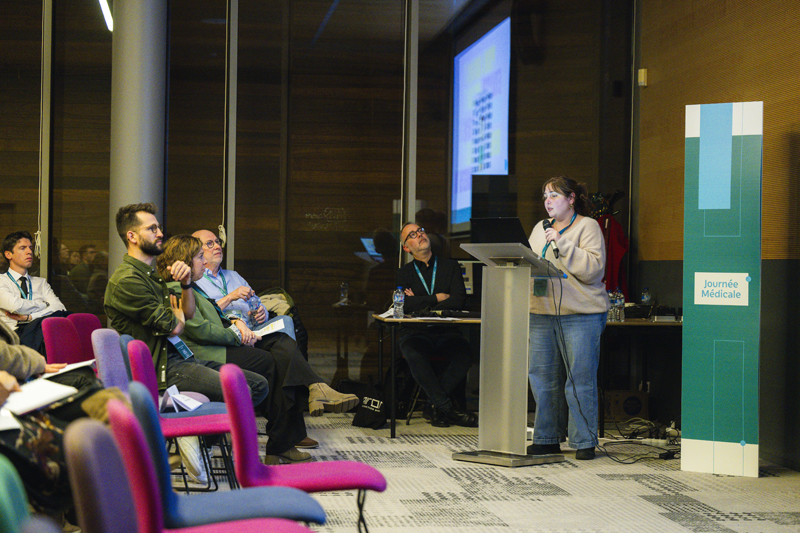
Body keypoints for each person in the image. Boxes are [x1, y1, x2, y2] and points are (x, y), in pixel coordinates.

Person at [157, 235, 335, 461]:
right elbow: (200, 330)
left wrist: (237, 323)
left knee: (282, 344)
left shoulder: (194, 287)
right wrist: (236, 334)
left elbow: (217, 315)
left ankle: (312, 392)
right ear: (185, 261)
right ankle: (283, 441)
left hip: (225, 340)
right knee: (271, 362)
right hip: (210, 351)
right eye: (200, 257)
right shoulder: (177, 289)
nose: (204, 262)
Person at [103, 204, 271, 436]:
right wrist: (177, 317)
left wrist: (186, 284)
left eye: (159, 228)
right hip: (163, 370)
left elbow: (186, 315)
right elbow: (176, 327)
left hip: (180, 358)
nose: (160, 233)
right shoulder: (127, 280)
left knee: (259, 384)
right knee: (245, 390)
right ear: (132, 236)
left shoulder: (150, 276)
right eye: (152, 229)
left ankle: (200, 438)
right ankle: (195, 438)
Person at [191, 229, 358, 420]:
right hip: (228, 337)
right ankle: (311, 390)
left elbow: (255, 302)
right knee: (282, 351)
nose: (217, 246)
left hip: (253, 330)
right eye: (210, 243)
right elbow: (207, 315)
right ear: (197, 252)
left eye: (217, 241)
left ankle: (313, 390)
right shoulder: (196, 281)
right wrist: (230, 297)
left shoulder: (233, 276)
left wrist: (260, 312)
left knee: (285, 323)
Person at [527, 176, 610, 460]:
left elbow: (594, 270)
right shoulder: (540, 228)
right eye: (545, 196)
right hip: (541, 313)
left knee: (579, 381)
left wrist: (563, 243)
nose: (547, 201)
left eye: (554, 195)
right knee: (542, 380)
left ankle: (584, 441)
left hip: (581, 315)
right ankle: (547, 438)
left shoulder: (588, 226)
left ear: (571, 198)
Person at [396, 222, 477, 428]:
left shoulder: (450, 267)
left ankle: (433, 404)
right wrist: (437, 298)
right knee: (414, 354)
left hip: (446, 331)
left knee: (465, 356)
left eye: (420, 230)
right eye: (412, 235)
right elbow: (404, 304)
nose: (419, 234)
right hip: (416, 332)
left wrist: (421, 302)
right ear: (406, 248)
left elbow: (459, 300)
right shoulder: (404, 273)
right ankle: (445, 408)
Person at [0, 231, 68, 354]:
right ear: (8, 254)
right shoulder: (1, 281)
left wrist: (30, 317)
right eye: (23, 248)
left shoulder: (40, 283)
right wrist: (43, 304)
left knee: (62, 317)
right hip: (12, 336)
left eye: (30, 247)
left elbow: (60, 308)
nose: (29, 252)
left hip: (39, 333)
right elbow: (16, 306)